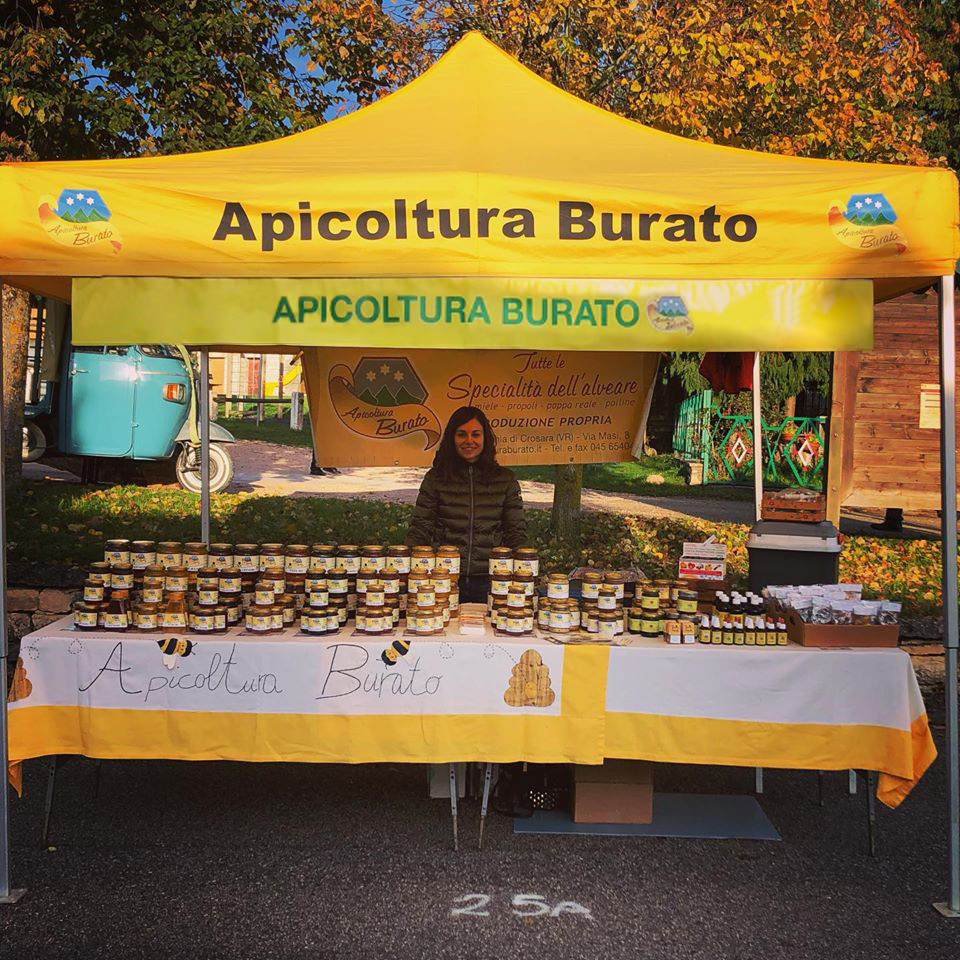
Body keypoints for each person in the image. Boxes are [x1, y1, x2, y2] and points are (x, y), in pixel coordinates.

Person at [406, 406, 527, 603]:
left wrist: (523, 574)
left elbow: (516, 532)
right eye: (461, 434)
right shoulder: (436, 478)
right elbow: (421, 527)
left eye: (476, 434)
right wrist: (407, 570)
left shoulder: (505, 479)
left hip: (492, 579)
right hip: (444, 578)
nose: (469, 440)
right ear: (452, 438)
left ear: (485, 438)